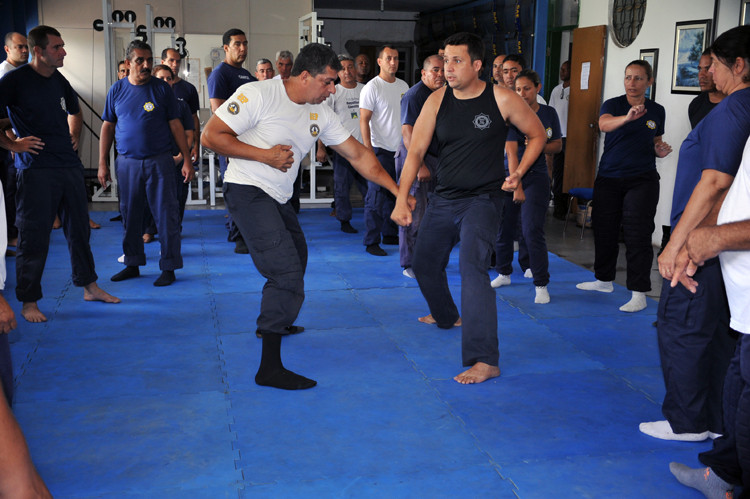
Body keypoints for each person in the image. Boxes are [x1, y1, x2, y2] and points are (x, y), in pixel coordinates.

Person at [201, 42, 412, 390]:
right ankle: (268, 367)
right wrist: (264, 156)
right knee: (284, 270)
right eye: (328, 82)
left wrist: (398, 192)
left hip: (278, 195)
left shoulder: (321, 112)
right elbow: (212, 136)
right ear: (304, 75)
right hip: (247, 188)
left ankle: (277, 318)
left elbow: (360, 155)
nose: (333, 89)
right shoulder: (258, 94)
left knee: (297, 256)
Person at [391, 32, 546, 385]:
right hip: (444, 197)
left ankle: (485, 359)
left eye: (457, 61)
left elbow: (537, 135)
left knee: (472, 267)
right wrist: (402, 198)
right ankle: (447, 316)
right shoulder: (436, 101)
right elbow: (415, 151)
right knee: (423, 262)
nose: (448, 68)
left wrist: (519, 172)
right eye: (445, 60)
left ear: (477, 65)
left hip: (483, 199)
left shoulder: (501, 99)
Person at [641, 25, 750, 443]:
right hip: (722, 236)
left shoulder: (733, 110)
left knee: (681, 322)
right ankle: (714, 417)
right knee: (715, 328)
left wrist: (678, 244)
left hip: (707, 234)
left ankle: (688, 421)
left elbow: (715, 182)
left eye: (716, 66)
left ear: (738, 65)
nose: (711, 74)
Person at [0, 25, 120, 322]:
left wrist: (74, 136)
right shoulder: (14, 81)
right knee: (34, 236)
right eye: (57, 47)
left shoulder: (58, 79)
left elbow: (75, 112)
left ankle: (89, 286)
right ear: (38, 51)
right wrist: (12, 144)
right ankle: (29, 301)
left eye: (63, 46)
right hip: (36, 169)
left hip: (68, 166)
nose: (63, 51)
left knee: (79, 230)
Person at [669, 138, 750, 498]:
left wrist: (716, 238)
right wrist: (694, 242)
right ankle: (720, 474)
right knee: (735, 389)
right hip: (744, 305)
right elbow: (739, 194)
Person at [576, 60, 672, 313]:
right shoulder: (614, 105)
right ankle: (603, 280)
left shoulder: (657, 110)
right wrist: (627, 117)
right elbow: (604, 125)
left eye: (639, 78)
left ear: (649, 82)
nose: (632, 83)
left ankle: (639, 291)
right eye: (628, 77)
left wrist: (658, 150)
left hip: (642, 179)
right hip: (609, 177)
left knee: (637, 233)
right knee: (605, 230)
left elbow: (655, 138)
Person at [98, 40, 194, 287]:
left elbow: (176, 124)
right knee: (130, 215)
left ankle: (169, 267)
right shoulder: (116, 90)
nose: (146, 65)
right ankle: (132, 263)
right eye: (140, 60)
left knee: (166, 215)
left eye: (149, 60)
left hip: (159, 162)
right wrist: (102, 164)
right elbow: (107, 126)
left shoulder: (161, 90)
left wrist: (186, 159)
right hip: (127, 163)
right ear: (128, 62)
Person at [491, 69, 561, 304]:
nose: (521, 93)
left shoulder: (548, 113)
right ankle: (504, 272)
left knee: (532, 230)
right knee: (505, 227)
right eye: (518, 89)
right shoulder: (512, 114)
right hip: (511, 176)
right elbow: (511, 151)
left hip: (537, 177)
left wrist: (537, 144)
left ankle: (541, 283)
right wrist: (516, 183)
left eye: (527, 88)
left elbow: (557, 145)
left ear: (538, 88)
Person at [395, 54, 444, 278]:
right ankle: (409, 264)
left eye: (443, 70)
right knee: (414, 212)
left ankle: (427, 258)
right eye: (435, 70)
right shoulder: (414, 96)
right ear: (424, 73)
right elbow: (408, 134)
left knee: (433, 214)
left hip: (436, 158)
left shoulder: (444, 94)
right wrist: (420, 165)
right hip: (414, 159)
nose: (440, 74)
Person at [207, 29, 255, 254]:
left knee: (249, 189)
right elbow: (219, 112)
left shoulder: (247, 75)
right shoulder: (220, 74)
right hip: (232, 143)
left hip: (249, 142)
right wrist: (226, 146)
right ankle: (237, 235)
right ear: (226, 48)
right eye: (237, 44)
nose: (243, 48)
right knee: (235, 189)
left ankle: (246, 230)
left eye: (245, 44)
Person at [359, 45, 409, 256]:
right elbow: (364, 120)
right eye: (388, 58)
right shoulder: (372, 87)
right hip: (379, 150)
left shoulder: (404, 86)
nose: (393, 62)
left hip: (400, 151)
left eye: (396, 59)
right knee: (376, 197)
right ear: (379, 61)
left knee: (396, 194)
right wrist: (368, 152)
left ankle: (390, 234)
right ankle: (372, 240)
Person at [142, 65, 195, 241]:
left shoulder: (181, 106)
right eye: (161, 78)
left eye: (169, 78)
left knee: (177, 197)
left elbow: (189, 134)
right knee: (151, 196)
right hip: (154, 159)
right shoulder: (148, 105)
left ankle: (173, 230)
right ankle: (149, 229)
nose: (166, 81)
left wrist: (181, 157)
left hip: (177, 159)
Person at [317, 54, 368, 234]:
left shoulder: (366, 90)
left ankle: (374, 219)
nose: (347, 72)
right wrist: (321, 147)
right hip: (343, 149)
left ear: (355, 69)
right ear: (338, 72)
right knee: (342, 187)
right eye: (343, 68)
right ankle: (344, 220)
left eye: (350, 67)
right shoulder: (333, 92)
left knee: (370, 187)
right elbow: (324, 122)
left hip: (364, 149)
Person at [1, 32, 28, 250]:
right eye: (20, 47)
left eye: (27, 46)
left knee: (17, 190)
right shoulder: (5, 74)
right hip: (8, 146)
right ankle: (11, 236)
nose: (25, 50)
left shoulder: (19, 73)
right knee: (10, 191)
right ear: (7, 49)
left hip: (17, 143)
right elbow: (4, 115)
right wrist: (12, 142)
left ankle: (15, 232)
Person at [161, 47, 200, 162]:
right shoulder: (152, 89)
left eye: (178, 61)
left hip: (181, 149)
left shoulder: (189, 89)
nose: (175, 64)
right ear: (163, 62)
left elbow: (194, 118)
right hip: (158, 149)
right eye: (171, 60)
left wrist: (196, 145)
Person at [548, 60, 570, 219]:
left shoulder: (578, 89)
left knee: (570, 174)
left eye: (565, 69)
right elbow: (551, 112)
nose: (562, 72)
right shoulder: (556, 90)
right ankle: (558, 208)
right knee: (557, 173)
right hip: (558, 137)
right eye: (561, 69)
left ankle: (569, 208)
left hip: (572, 138)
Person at [688, 49, 726, 129]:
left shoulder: (735, 104)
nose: (701, 75)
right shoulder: (695, 105)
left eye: (707, 69)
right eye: (699, 69)